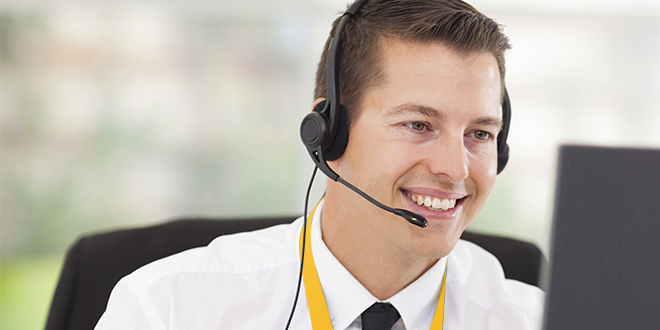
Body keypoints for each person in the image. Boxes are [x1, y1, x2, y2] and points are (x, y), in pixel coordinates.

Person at [94, 0, 543, 329]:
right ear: (329, 132)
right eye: (418, 125)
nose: (456, 169)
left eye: (480, 134)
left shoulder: (536, 320)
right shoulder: (171, 310)